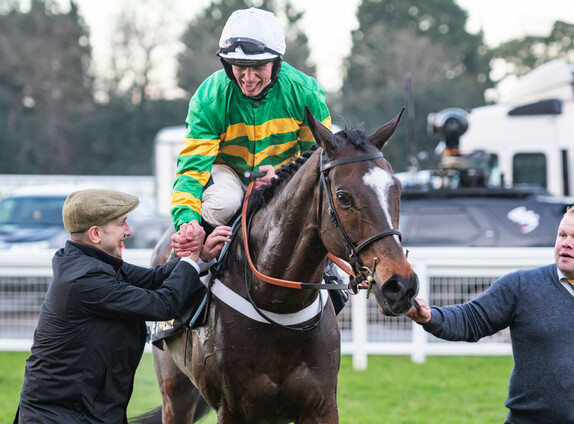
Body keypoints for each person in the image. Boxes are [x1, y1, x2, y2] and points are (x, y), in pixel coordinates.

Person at [169, 7, 348, 312]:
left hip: (287, 177)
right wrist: (186, 223)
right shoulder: (210, 96)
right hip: (230, 172)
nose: (248, 78)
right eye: (239, 66)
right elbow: (191, 170)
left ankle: (327, 272)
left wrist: (282, 175)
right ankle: (188, 270)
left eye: (258, 67)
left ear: (276, 63)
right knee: (224, 202)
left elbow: (319, 159)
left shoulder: (305, 92)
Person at [406, 204, 574, 424]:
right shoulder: (521, 286)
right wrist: (431, 316)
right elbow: (471, 319)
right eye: (562, 235)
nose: (566, 243)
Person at [14, 189, 230, 423]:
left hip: (87, 410)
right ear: (95, 234)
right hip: (61, 416)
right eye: (121, 223)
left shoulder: (90, 262)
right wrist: (189, 260)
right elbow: (162, 305)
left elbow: (155, 279)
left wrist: (201, 257)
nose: (128, 231)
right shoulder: (86, 278)